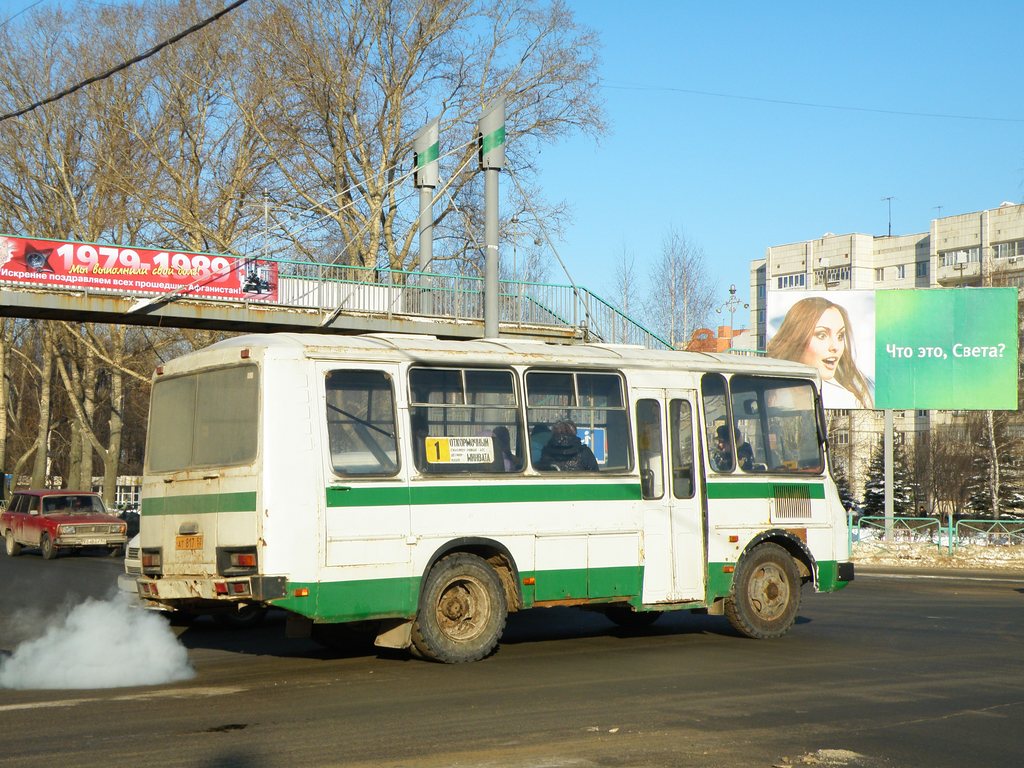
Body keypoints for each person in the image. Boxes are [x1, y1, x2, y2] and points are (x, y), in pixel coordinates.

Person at [767, 296, 874, 409]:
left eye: (840, 336)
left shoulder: (845, 401)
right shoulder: (765, 391)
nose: (835, 347)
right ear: (797, 337)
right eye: (821, 335)